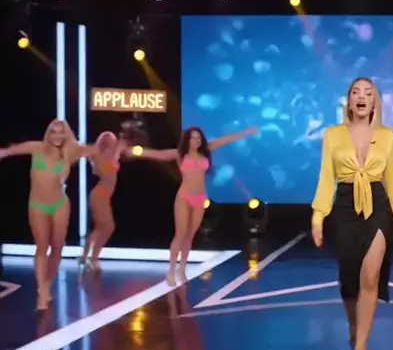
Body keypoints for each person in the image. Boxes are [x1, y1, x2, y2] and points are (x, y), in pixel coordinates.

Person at [311, 77, 393, 350]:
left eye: (368, 93)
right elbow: (326, 177)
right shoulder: (332, 135)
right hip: (344, 205)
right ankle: (354, 325)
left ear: (375, 101)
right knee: (349, 279)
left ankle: (362, 346)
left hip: (378, 206)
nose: (361, 97)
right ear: (349, 100)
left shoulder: (387, 136)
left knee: (371, 276)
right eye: (356, 92)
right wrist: (318, 216)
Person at [131, 126, 257, 285]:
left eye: (198, 138)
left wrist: (245, 133)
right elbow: (159, 154)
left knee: (190, 235)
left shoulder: (206, 150)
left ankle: (182, 269)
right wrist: (138, 152)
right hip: (184, 197)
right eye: (193, 138)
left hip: (200, 198)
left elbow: (226, 140)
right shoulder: (179, 154)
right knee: (180, 234)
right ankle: (171, 270)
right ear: (187, 139)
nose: (196, 141)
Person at [0, 120, 95, 310]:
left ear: (66, 135)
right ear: (48, 134)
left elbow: (96, 149)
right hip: (37, 206)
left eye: (61, 132)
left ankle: (46, 283)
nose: (58, 136)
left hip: (60, 205)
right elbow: (9, 151)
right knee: (42, 247)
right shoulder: (37, 148)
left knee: (57, 249)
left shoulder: (71, 152)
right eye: (54, 132)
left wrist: (115, 145)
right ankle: (42, 291)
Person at [79, 131, 128, 270]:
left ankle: (85, 256)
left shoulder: (108, 154)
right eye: (112, 141)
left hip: (103, 195)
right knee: (108, 227)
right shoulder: (101, 156)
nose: (115, 143)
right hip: (100, 195)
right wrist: (118, 150)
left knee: (100, 228)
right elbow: (108, 165)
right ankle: (93, 258)